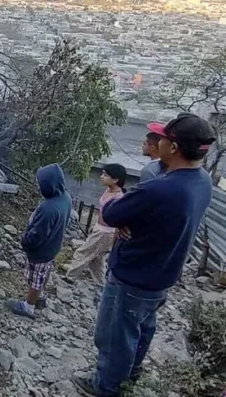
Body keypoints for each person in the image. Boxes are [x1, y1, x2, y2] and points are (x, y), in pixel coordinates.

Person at [72, 113, 216, 397]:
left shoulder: (160, 188)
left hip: (133, 277)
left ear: (173, 148)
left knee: (114, 337)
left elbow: (111, 213)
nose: (156, 141)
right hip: (162, 277)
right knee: (139, 332)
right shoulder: (201, 181)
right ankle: (129, 379)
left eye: (161, 137)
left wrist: (129, 218)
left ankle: (106, 387)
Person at [8, 164, 72, 319]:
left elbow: (37, 235)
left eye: (40, 183)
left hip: (41, 250)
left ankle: (28, 307)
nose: (38, 186)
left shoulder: (48, 208)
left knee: (36, 279)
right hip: (53, 246)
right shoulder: (65, 198)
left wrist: (25, 241)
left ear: (48, 185)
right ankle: (40, 297)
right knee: (43, 274)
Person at [65, 163, 127, 284]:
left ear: (115, 179)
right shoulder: (108, 191)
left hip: (106, 232)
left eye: (105, 175)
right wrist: (95, 225)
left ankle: (70, 277)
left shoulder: (119, 198)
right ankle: (101, 283)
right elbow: (102, 211)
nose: (101, 176)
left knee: (82, 252)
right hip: (100, 228)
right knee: (96, 260)